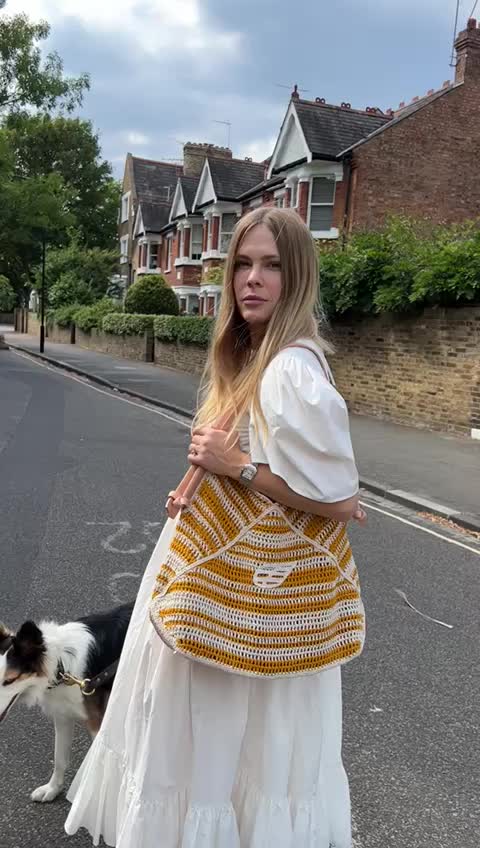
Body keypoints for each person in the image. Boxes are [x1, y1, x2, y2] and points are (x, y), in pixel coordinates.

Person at [65, 207, 366, 848]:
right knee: (228, 745)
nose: (252, 279)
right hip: (226, 576)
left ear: (299, 278)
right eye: (242, 265)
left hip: (247, 590)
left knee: (215, 739)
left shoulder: (289, 369)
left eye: (272, 266)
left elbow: (340, 500)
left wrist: (238, 468)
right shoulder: (255, 356)